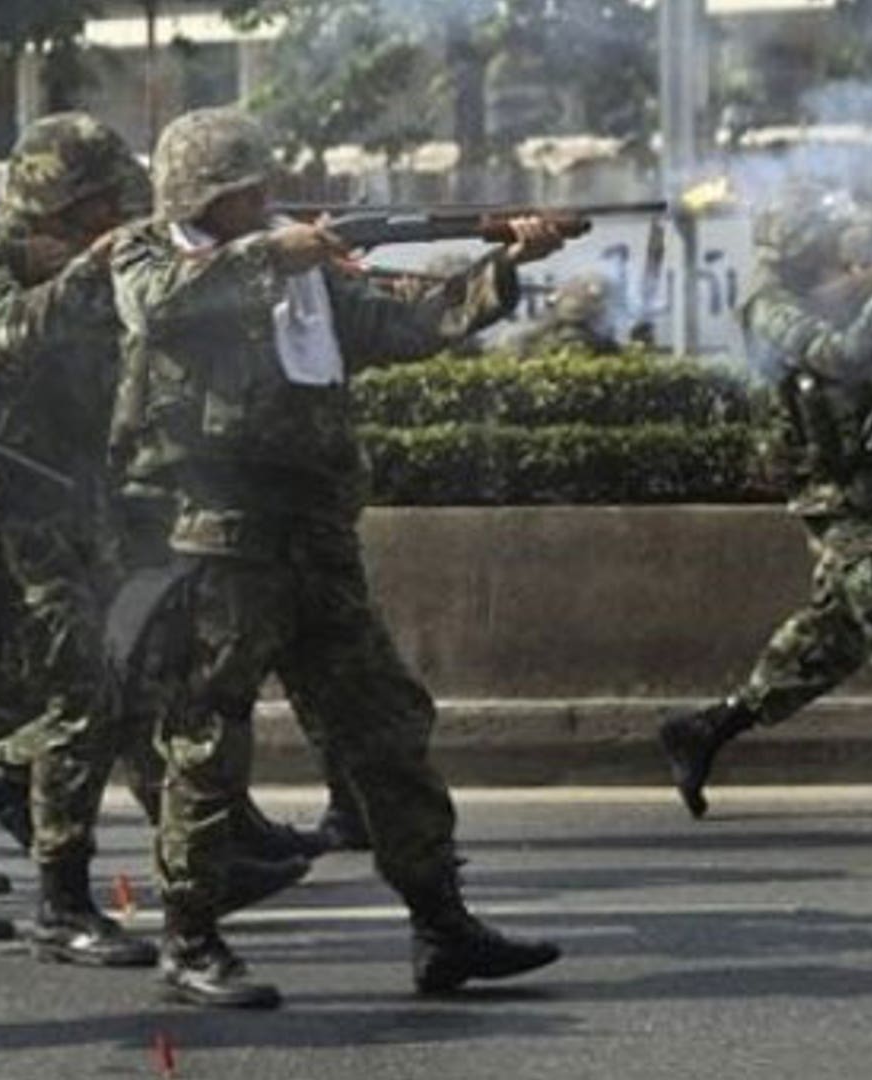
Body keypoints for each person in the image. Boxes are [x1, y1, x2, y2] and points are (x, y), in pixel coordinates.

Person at [110, 106, 565, 1008]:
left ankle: (441, 923)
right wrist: (281, 254)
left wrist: (505, 264)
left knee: (386, 727)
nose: (267, 200)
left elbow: (411, 320)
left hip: (316, 541)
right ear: (205, 195)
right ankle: (189, 938)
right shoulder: (151, 255)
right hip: (223, 539)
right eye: (247, 190)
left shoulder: (306, 271)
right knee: (207, 738)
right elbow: (157, 306)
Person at [0, 112, 319, 960]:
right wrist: (102, 262)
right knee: (65, 703)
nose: (110, 226)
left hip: (77, 505)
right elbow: (16, 327)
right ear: (53, 208)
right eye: (95, 212)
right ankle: (12, 867)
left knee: (115, 695)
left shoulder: (112, 264)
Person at [656, 189, 872, 826]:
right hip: (834, 491)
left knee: (831, 640)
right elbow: (840, 355)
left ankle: (706, 730)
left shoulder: (843, 292)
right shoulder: (770, 304)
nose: (839, 252)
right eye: (824, 241)